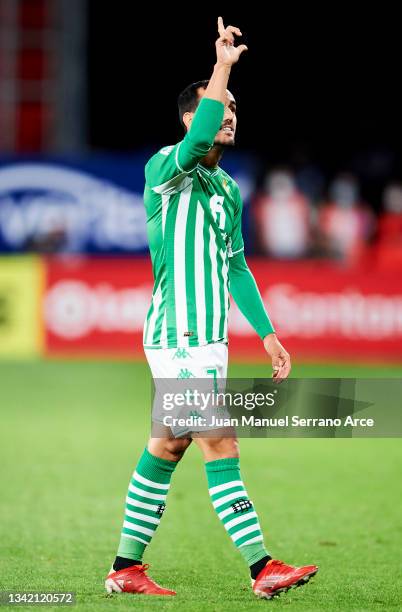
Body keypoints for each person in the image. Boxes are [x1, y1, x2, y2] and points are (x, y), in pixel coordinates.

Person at [105, 17, 318, 600]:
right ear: (189, 118)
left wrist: (268, 333)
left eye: (231, 109)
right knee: (220, 440)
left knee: (168, 445)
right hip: (176, 334)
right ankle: (262, 567)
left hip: (208, 339)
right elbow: (199, 143)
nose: (227, 115)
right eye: (216, 107)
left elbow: (236, 267)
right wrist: (221, 67)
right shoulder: (165, 170)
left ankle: (126, 568)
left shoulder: (227, 191)